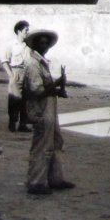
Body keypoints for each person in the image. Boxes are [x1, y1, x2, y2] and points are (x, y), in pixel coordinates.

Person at [23, 29, 75, 196]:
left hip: (49, 108)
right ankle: (36, 182)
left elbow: (47, 90)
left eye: (46, 43)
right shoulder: (33, 64)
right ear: (36, 44)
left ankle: (55, 178)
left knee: (56, 142)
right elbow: (38, 91)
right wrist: (58, 83)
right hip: (40, 109)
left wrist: (59, 90)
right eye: (41, 43)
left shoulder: (42, 62)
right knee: (42, 145)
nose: (45, 46)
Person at [2, 20, 31, 133]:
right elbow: (4, 61)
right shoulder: (11, 44)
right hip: (16, 72)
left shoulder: (29, 44)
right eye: (25, 30)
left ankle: (23, 124)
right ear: (19, 31)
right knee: (15, 99)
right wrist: (11, 75)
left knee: (26, 100)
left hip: (28, 74)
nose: (27, 33)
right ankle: (12, 122)